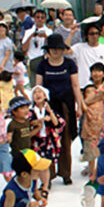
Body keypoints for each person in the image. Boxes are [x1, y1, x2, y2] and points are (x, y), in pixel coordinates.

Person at [36, 34, 83, 187]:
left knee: (65, 141)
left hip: (66, 106)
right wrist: (39, 108)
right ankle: (48, 175)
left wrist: (79, 105)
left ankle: (65, 173)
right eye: (52, 49)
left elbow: (75, 85)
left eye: (58, 49)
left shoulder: (69, 64)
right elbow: (38, 88)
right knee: (47, 141)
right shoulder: (42, 65)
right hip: (48, 107)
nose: (56, 52)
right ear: (48, 50)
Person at [29, 85, 65, 197]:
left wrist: (50, 113)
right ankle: (34, 188)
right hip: (36, 141)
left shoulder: (49, 110)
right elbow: (28, 124)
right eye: (35, 93)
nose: (38, 94)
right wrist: (39, 121)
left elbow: (59, 123)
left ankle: (45, 186)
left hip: (48, 141)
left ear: (45, 96)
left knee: (45, 165)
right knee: (34, 166)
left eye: (40, 92)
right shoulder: (30, 111)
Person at [71, 22, 104, 88]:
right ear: (86, 35)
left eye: (97, 33)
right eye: (91, 34)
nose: (94, 36)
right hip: (82, 85)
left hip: (99, 87)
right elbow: (65, 51)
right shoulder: (78, 47)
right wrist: (71, 33)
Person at [21, 9, 52, 87]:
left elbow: (52, 47)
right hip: (32, 61)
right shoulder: (28, 32)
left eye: (42, 17)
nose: (40, 20)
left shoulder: (49, 31)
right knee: (34, 86)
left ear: (45, 19)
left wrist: (45, 37)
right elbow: (24, 48)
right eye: (38, 17)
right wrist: (31, 36)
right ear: (34, 18)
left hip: (44, 60)